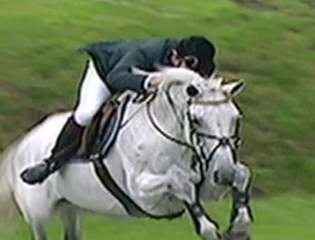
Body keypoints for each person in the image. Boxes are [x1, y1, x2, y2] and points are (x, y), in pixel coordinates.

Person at [19, 36, 218, 185]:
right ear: (176, 58)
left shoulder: (195, 65)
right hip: (106, 73)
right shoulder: (148, 52)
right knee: (86, 113)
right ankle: (51, 163)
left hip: (138, 85)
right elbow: (116, 78)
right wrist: (148, 81)